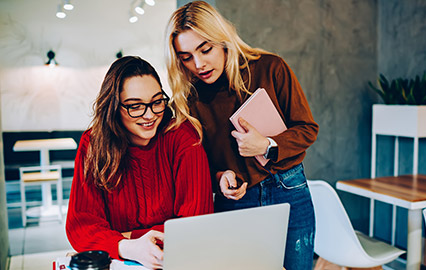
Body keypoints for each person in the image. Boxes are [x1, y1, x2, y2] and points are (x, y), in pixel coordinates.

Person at [164, 2, 319, 270]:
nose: (199, 64)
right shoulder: (188, 99)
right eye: (186, 56)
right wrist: (219, 178)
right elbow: (202, 162)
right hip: (235, 202)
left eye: (205, 49)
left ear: (222, 40)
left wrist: (267, 145)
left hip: (289, 190)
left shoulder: (271, 68)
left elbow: (307, 129)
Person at [66, 56, 213, 269]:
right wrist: (130, 247)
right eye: (135, 106)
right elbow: (81, 227)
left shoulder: (183, 137)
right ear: (114, 107)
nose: (150, 115)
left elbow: (195, 226)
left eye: (157, 102)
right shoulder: (93, 144)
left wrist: (124, 236)